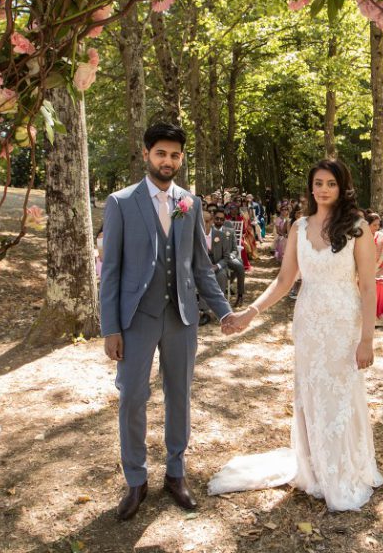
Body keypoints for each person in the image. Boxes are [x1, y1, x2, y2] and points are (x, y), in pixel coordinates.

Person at [215, 159, 383, 511]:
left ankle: (343, 470)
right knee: (310, 392)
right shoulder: (299, 227)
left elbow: (368, 287)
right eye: (318, 183)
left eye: (331, 184)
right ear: (311, 187)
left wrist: (366, 339)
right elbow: (283, 280)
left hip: (343, 322)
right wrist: (251, 312)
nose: (323, 189)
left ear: (342, 188)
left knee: (339, 394)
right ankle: (314, 469)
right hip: (308, 321)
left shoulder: (357, 228)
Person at [99, 122, 237, 521]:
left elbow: (201, 266)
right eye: (161, 153)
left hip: (181, 318)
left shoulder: (189, 203)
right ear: (146, 154)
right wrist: (111, 328)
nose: (168, 161)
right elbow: (110, 272)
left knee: (179, 396)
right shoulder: (121, 202)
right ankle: (136, 480)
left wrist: (223, 310)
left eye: (175, 155)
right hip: (136, 319)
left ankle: (175, 474)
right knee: (132, 398)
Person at [365, 211, 383, 327]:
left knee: (381, 284)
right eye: (374, 225)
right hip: (364, 267)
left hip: (381, 267)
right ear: (367, 225)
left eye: (378, 225)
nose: (377, 227)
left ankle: (379, 316)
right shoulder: (360, 237)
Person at [213, 207, 245, 306]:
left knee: (239, 264)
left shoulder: (230, 231)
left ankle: (240, 295)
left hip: (228, 258)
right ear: (213, 218)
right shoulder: (209, 230)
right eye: (217, 218)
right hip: (215, 259)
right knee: (239, 265)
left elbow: (235, 249)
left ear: (224, 220)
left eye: (222, 219)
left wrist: (231, 255)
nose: (219, 221)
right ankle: (229, 284)